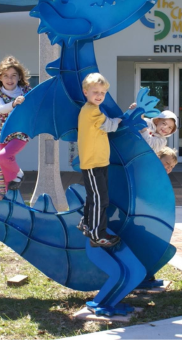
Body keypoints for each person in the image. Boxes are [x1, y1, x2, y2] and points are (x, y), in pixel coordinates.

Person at [77, 73, 122, 247]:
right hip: (93, 163)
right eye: (95, 91)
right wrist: (122, 118)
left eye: (102, 93)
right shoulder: (90, 110)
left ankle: (86, 224)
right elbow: (109, 125)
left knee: (93, 197)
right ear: (85, 91)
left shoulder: (93, 109)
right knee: (100, 199)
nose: (99, 95)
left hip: (100, 162)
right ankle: (97, 234)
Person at [0, 56, 31, 190]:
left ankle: (19, 173)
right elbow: (2, 109)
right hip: (4, 134)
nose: (10, 79)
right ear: (0, 78)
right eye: (6, 76)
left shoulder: (26, 91)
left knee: (3, 157)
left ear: (19, 77)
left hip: (21, 133)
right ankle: (9, 197)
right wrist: (14, 103)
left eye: (14, 76)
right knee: (5, 170)